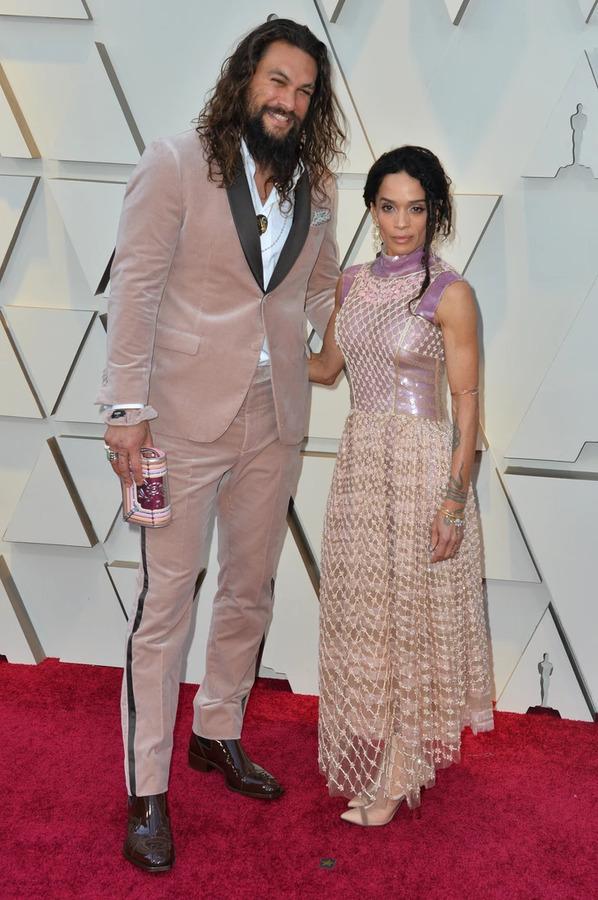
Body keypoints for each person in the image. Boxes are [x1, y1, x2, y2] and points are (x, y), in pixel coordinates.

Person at [98, 18, 345, 871]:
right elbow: (135, 286)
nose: (289, 101)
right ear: (246, 79)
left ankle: (218, 731)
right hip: (178, 418)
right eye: (278, 81)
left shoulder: (317, 186)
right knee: (166, 604)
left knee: (249, 589)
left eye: (304, 91)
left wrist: (363, 325)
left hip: (275, 418)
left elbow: (319, 288)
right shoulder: (176, 163)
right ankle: (147, 791)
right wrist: (126, 409)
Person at [310, 146, 494, 827]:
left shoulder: (450, 292)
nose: (401, 222)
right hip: (362, 467)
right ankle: (393, 751)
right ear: (371, 209)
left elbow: (468, 406)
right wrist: (256, 344)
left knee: (412, 618)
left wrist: (454, 500)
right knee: (374, 615)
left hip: (420, 467)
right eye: (388, 207)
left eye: (416, 208)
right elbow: (327, 367)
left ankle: (401, 767)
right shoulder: (351, 284)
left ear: (435, 212)